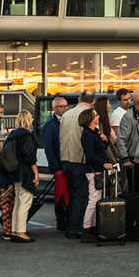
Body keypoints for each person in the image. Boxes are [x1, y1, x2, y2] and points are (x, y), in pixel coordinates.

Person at [79, 106, 117, 239]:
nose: (98, 117)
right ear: (89, 119)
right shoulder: (87, 135)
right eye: (95, 115)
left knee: (97, 198)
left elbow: (99, 150)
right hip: (94, 170)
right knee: (94, 199)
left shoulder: (94, 132)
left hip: (98, 169)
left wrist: (105, 142)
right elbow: (90, 154)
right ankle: (87, 227)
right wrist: (102, 164)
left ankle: (94, 225)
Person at [2, 110, 39, 243]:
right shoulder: (27, 136)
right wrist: (36, 172)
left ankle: (14, 230)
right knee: (25, 201)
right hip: (25, 172)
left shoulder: (12, 135)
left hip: (14, 172)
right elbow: (29, 157)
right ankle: (20, 231)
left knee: (18, 201)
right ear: (29, 120)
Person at [59, 91, 91, 239]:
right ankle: (75, 228)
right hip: (79, 159)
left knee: (72, 194)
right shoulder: (88, 114)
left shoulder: (67, 114)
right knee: (81, 196)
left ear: (79, 99)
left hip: (66, 158)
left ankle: (68, 225)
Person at [113, 89, 139, 220]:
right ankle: (134, 220)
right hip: (133, 159)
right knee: (134, 191)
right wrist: (125, 158)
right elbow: (121, 139)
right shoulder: (129, 116)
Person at [40, 95, 68, 220]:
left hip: (69, 164)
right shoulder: (49, 126)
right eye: (60, 106)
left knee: (68, 194)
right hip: (59, 166)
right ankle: (61, 220)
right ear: (54, 108)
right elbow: (49, 149)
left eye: (65, 106)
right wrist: (56, 168)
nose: (64, 109)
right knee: (60, 195)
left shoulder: (68, 121)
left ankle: (67, 218)